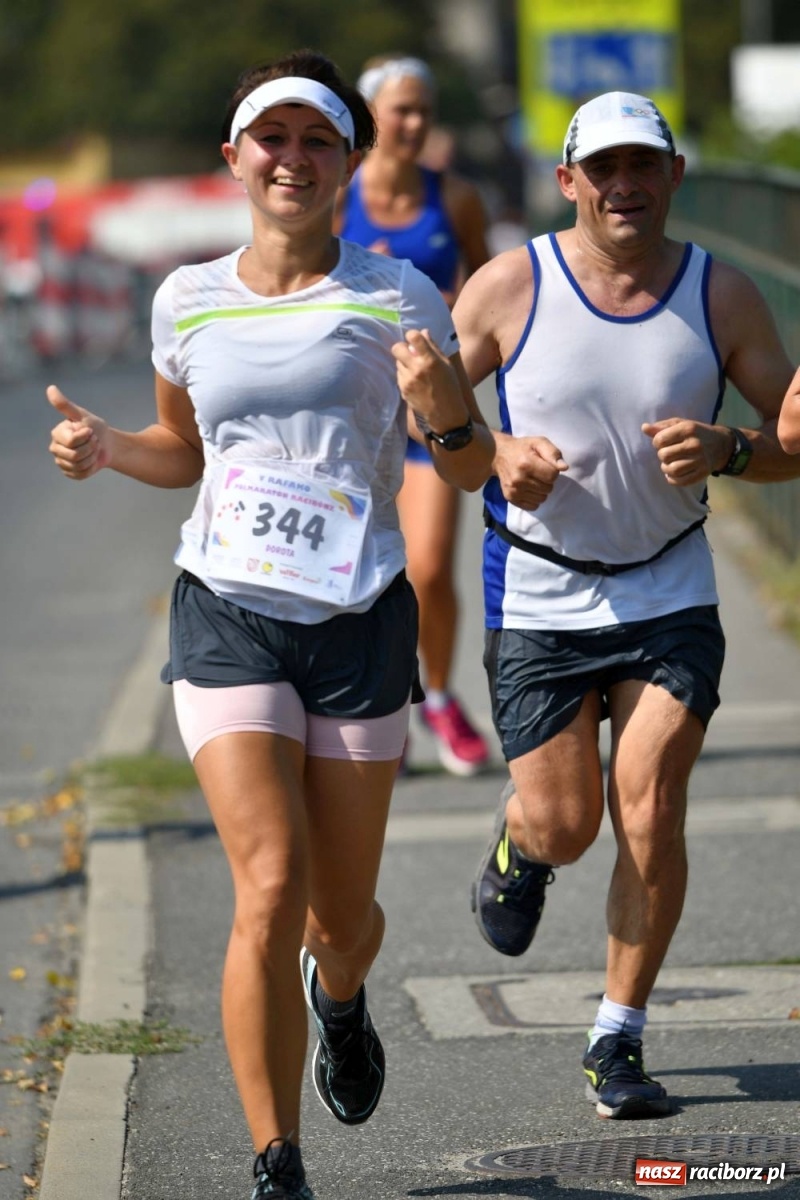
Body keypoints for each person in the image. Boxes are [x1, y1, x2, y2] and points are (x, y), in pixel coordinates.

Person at [47, 50, 494, 1200]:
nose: (291, 160)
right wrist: (107, 450)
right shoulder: (186, 296)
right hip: (227, 614)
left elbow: (469, 465)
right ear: (234, 158)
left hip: (356, 618)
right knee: (269, 885)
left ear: (348, 161)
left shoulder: (398, 292)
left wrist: (445, 412)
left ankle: (337, 998)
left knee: (338, 917)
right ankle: (275, 1161)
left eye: (315, 141)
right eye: (271, 139)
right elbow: (181, 452)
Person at [453, 90, 800, 1120]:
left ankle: (616, 1036)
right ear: (566, 183)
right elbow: (416, 422)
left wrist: (732, 449)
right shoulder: (508, 288)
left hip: (667, 586)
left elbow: (787, 440)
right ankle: (521, 847)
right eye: (599, 168)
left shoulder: (721, 295)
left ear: (672, 177)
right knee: (567, 823)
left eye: (640, 166)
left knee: (647, 803)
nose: (622, 186)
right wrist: (490, 452)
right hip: (539, 589)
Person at [336, 54, 492, 777]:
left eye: (424, 110)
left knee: (428, 568)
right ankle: (382, 707)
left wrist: (452, 379)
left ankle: (437, 694)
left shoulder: (455, 199)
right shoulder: (337, 200)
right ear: (369, 118)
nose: (415, 122)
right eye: (401, 109)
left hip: (430, 414)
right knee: (360, 570)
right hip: (352, 419)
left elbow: (486, 297)